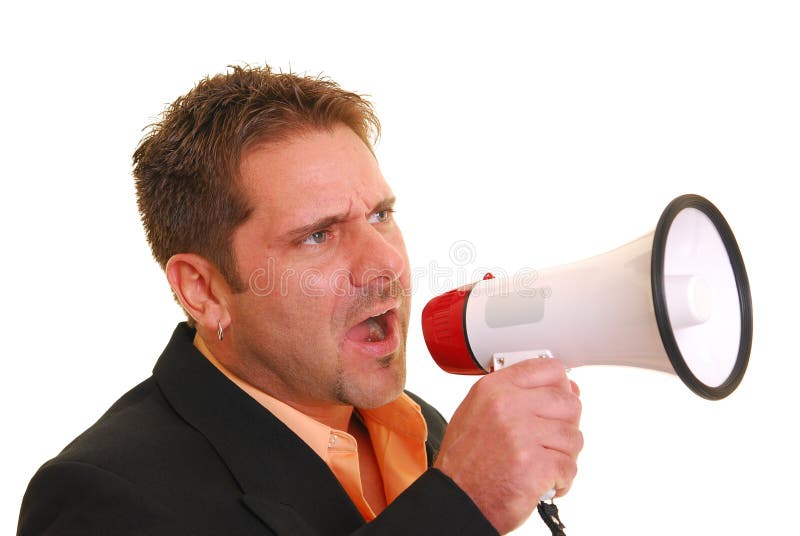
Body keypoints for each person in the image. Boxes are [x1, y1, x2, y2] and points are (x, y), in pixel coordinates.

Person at [18, 65, 583, 535]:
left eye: (380, 215)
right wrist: (459, 505)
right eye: (317, 235)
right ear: (204, 291)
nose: (386, 263)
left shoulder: (422, 429)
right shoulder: (102, 500)